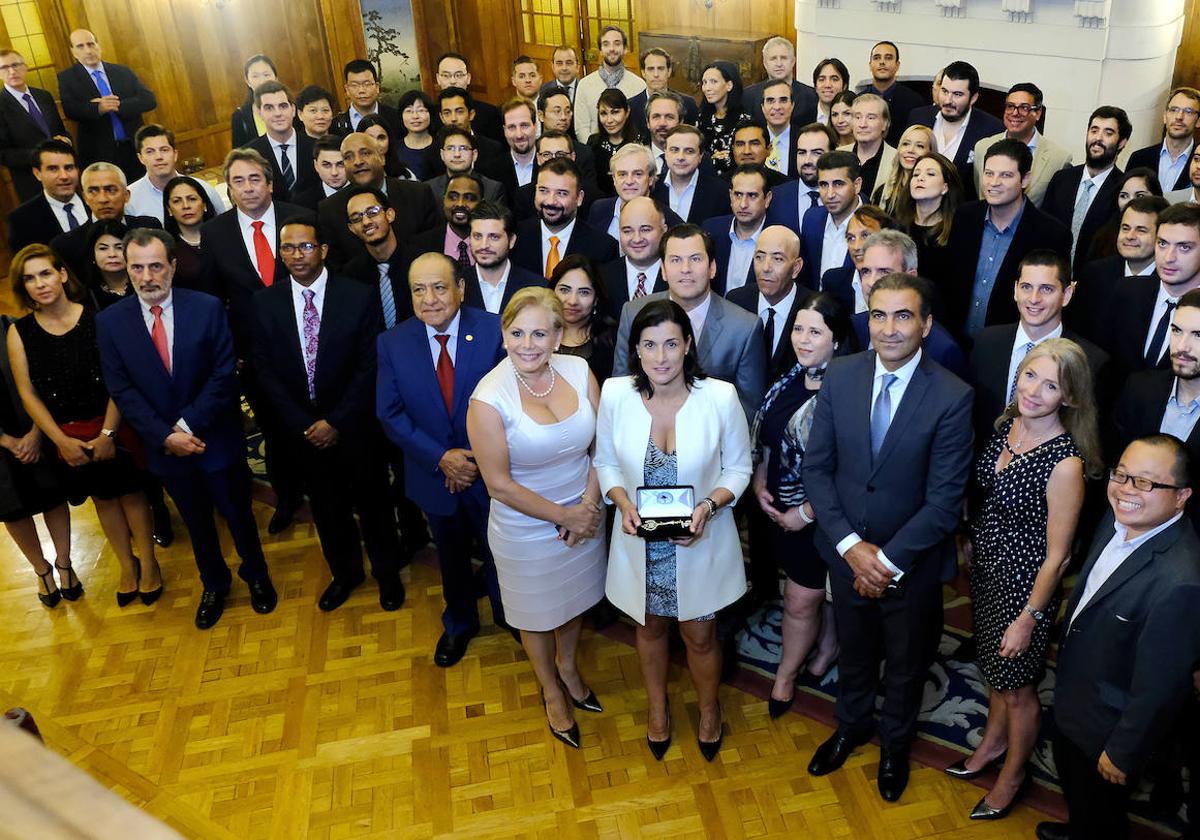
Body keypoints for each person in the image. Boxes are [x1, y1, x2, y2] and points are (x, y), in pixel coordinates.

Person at [802, 272, 973, 803]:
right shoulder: (842, 375)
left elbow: (944, 503)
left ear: (925, 325)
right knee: (854, 651)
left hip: (912, 565)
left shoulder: (953, 396)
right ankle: (852, 725)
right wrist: (852, 549)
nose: (889, 328)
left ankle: (895, 744)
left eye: (904, 316)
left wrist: (886, 563)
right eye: (879, 315)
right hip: (846, 553)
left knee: (905, 662)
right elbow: (817, 469)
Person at [595, 298, 753, 760]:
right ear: (636, 350)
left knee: (700, 636)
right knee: (649, 627)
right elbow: (605, 462)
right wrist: (621, 502)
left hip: (699, 540)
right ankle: (658, 708)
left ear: (687, 345)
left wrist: (708, 506)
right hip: (638, 544)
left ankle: (708, 710)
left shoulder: (719, 397)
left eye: (670, 343)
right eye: (649, 345)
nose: (660, 356)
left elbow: (740, 469)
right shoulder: (616, 393)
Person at [96, 229, 277, 629]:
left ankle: (257, 576)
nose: (147, 277)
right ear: (127, 271)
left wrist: (185, 425)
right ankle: (214, 584)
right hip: (166, 450)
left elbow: (223, 373)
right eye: (137, 268)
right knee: (196, 522)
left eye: (156, 266)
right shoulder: (110, 323)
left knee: (238, 514)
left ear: (173, 267)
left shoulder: (208, 308)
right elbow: (121, 388)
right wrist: (166, 436)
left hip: (216, 437)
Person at [959, 338, 1100, 820]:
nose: (1035, 391)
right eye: (1029, 377)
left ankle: (1013, 774)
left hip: (1026, 590)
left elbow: (1058, 558)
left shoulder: (1066, 464)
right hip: (987, 575)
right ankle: (992, 745)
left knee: (1018, 689)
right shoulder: (1008, 425)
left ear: (1070, 397)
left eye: (1051, 385)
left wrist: (1029, 619)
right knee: (995, 673)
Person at [1035, 435, 1200, 840]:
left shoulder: (1180, 582)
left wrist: (1123, 750)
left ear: (1181, 496)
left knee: (1102, 814)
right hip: (1078, 694)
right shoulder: (1117, 517)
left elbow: (1159, 688)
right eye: (1122, 474)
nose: (1125, 490)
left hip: (1108, 728)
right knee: (1076, 790)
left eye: (1145, 482)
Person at [468, 287, 607, 749]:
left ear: (558, 336)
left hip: (584, 513)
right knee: (538, 615)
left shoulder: (580, 370)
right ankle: (551, 689)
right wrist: (566, 515)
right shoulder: (488, 398)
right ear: (504, 334)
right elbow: (499, 485)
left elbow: (601, 448)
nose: (528, 344)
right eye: (517, 332)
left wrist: (587, 509)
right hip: (525, 528)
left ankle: (569, 667)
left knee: (574, 603)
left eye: (540, 334)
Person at [251, 216, 405, 613]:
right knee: (326, 507)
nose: (296, 255)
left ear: (323, 250)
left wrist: (335, 420)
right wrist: (306, 423)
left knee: (374, 505)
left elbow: (369, 365)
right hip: (303, 432)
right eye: (288, 247)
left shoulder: (358, 294)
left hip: (354, 425)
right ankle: (346, 574)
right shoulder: (264, 302)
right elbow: (264, 370)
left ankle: (387, 575)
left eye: (305, 247)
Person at [7, 243, 162, 607]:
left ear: (62, 274)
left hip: (114, 426)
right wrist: (60, 440)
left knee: (132, 496)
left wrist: (107, 433)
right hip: (68, 438)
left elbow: (120, 378)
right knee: (103, 501)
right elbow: (27, 394)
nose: (40, 284)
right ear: (23, 288)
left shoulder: (99, 318)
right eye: (29, 279)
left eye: (45, 273)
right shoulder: (20, 332)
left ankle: (151, 564)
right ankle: (128, 565)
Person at [376, 252, 508, 666]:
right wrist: (442, 458)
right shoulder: (393, 343)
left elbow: (510, 405)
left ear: (461, 288)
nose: (429, 299)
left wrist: (470, 460)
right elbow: (389, 412)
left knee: (500, 552)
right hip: (434, 475)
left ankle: (511, 618)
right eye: (419, 289)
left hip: (490, 474)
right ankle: (460, 622)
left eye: (438, 287)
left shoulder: (493, 331)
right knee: (449, 557)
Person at [751, 291, 849, 717]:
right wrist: (758, 478)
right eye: (798, 328)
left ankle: (785, 676)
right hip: (777, 508)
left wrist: (804, 513)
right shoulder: (789, 378)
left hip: (820, 517)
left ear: (837, 340)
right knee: (811, 594)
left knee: (801, 599)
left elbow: (848, 471)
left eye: (816, 331)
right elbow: (769, 437)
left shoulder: (844, 388)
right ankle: (828, 644)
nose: (803, 340)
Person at [200, 147, 305, 532]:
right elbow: (214, 298)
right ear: (228, 189)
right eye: (238, 181)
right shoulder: (215, 233)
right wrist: (232, 352)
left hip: (308, 345)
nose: (247, 188)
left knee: (317, 422)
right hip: (254, 357)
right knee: (274, 431)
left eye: (254, 179)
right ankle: (288, 497)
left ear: (270, 183)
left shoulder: (300, 218)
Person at [613, 224, 767, 422]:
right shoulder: (633, 312)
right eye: (676, 260)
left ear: (712, 268)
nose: (685, 269)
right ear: (663, 270)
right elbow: (622, 388)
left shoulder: (744, 328)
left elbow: (748, 408)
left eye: (695, 259)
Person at [968, 250, 1110, 448]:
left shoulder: (1092, 361)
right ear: (1015, 290)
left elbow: (1088, 437)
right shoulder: (984, 343)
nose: (1034, 299)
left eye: (1046, 289)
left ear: (1067, 294)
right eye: (1026, 287)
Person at [947, 139, 1072, 339]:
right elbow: (950, 281)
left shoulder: (1051, 234)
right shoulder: (965, 217)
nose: (994, 183)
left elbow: (1050, 302)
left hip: (1006, 346)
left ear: (1025, 179)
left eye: (1005, 175)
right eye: (989, 173)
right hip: (955, 341)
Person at [0, 306, 73, 609]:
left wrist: (35, 432)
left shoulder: (15, 327)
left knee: (52, 498)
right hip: (1, 445)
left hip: (37, 430)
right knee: (13, 511)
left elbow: (44, 382)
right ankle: (42, 570)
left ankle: (65, 564)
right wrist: (6, 441)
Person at [1110, 288, 1200, 532]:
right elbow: (1114, 466)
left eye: (1198, 335)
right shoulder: (1140, 389)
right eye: (1176, 331)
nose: (1182, 346)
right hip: (1123, 529)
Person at [1100, 202, 1200, 378]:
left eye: (1184, 247)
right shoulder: (1127, 290)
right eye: (1162, 244)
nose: (1169, 257)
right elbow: (1105, 363)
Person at [850, 230, 969, 378]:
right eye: (866, 272)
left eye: (884, 272)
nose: (871, 282)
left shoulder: (942, 350)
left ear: (911, 277)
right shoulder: (852, 326)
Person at [318, 132, 438, 269]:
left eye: (365, 153)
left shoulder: (418, 195)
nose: (357, 162)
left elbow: (432, 251)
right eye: (348, 157)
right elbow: (337, 268)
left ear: (382, 158)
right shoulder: (329, 209)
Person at [57, 29, 156, 178]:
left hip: (134, 148)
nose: (88, 50)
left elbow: (149, 99)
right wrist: (98, 109)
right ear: (73, 52)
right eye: (81, 46)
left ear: (98, 46)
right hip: (99, 153)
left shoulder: (122, 71)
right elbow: (71, 110)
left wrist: (117, 105)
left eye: (91, 44)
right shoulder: (67, 78)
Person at [1043, 106, 1131, 272]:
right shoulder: (1062, 179)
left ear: (1122, 142)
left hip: (1093, 283)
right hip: (1051, 277)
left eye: (1108, 133)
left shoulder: (1123, 189)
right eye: (1094, 130)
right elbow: (1044, 230)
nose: (1098, 138)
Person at [905, 61, 1003, 201]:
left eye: (957, 94)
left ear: (973, 98)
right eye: (944, 91)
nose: (948, 100)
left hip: (962, 215)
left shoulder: (991, 129)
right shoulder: (918, 117)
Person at [50, 162, 161, 282]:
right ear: (85, 198)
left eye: (111, 190)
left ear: (126, 195)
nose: (103, 199)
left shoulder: (149, 228)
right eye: (93, 191)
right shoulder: (67, 245)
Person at [511, 157, 617, 279]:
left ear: (579, 198)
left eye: (561, 193)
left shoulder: (603, 247)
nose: (551, 201)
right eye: (544, 191)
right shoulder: (515, 238)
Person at [971, 83, 1073, 209]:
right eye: (1010, 106)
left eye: (1024, 108)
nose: (1015, 113)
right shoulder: (982, 147)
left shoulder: (1059, 159)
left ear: (1038, 113)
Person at [0, 47, 70, 201]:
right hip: (31, 181)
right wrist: (40, 156)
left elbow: (61, 131)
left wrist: (66, 140)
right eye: (4, 67)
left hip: (64, 174)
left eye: (16, 65)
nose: (12, 71)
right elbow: (3, 154)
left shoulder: (43, 96)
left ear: (25, 67)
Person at [793, 150, 863, 289]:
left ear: (857, 185)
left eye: (838, 184)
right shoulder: (811, 219)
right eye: (824, 185)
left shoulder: (876, 226)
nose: (830, 194)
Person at [127, 124, 225, 221]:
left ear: (175, 154)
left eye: (164, 150)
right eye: (150, 152)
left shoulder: (203, 189)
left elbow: (223, 224)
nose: (158, 157)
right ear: (140, 158)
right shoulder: (129, 199)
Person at [587, 143, 683, 242]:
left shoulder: (669, 219)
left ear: (651, 178)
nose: (629, 181)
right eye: (622, 174)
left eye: (637, 174)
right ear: (614, 179)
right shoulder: (599, 209)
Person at [464, 199, 546, 314]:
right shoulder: (456, 285)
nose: (484, 245)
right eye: (477, 236)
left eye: (494, 237)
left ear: (511, 241)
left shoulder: (538, 287)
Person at [701, 164, 773, 295]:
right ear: (730, 196)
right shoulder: (711, 230)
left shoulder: (779, 237)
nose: (743, 204)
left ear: (767, 199)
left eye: (752, 196)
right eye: (738, 195)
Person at [904, 151, 963, 305]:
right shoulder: (897, 227)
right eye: (915, 174)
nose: (920, 178)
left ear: (945, 187)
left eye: (930, 174)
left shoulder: (957, 232)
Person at [819, 204, 897, 316]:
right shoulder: (834, 282)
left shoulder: (900, 283)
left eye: (865, 236)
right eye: (851, 238)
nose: (856, 246)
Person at [246, 81, 317, 204]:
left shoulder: (315, 146)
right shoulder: (249, 155)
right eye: (269, 108)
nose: (278, 113)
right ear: (259, 113)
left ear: (293, 110)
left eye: (283, 106)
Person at [7, 139, 83, 254]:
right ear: (37, 173)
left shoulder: (98, 203)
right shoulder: (21, 220)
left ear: (77, 170)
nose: (64, 176)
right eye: (53, 169)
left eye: (69, 168)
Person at [573, 26, 646, 144]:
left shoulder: (639, 85)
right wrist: (595, 149)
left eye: (617, 44)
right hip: (595, 152)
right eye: (606, 44)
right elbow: (581, 128)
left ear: (625, 49)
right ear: (601, 50)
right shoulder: (585, 85)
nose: (612, 49)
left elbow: (640, 126)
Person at [600, 196, 669, 319]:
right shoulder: (602, 278)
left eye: (645, 229)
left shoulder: (678, 276)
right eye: (627, 231)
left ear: (664, 230)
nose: (637, 239)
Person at [552, 254, 617, 383]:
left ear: (596, 299)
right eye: (565, 290)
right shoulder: (536, 332)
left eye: (584, 292)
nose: (572, 301)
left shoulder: (613, 337)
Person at [764, 122, 838, 233]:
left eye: (817, 153)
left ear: (832, 155)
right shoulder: (776, 198)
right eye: (802, 152)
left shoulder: (845, 198)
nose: (807, 160)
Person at [652, 124, 732, 224]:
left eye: (689, 151)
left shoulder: (720, 192)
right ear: (665, 152)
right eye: (674, 150)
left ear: (700, 156)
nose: (680, 157)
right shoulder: (652, 187)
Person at [1125, 86, 1200, 193]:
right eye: (1173, 110)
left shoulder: (1198, 162)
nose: (1179, 116)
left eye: (1188, 111)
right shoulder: (1139, 159)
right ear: (1165, 116)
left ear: (1198, 121)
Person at [1081, 168, 1163, 263]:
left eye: (1140, 196)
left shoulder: (1166, 236)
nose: (1130, 202)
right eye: (1124, 196)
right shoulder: (1103, 236)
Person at [408, 172, 484, 269]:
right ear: (444, 200)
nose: (460, 204)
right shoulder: (419, 246)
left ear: (482, 203)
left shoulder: (492, 244)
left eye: (469, 198)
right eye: (453, 197)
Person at [742, 36, 818, 128]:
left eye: (784, 58)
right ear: (765, 63)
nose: (779, 64)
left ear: (793, 61)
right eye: (773, 58)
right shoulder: (747, 96)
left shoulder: (812, 96)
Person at [161, 175, 219, 294]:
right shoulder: (167, 248)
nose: (186, 206)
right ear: (169, 210)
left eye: (192, 199)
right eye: (177, 201)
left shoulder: (224, 236)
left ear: (204, 204)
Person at [859, 41, 923, 147]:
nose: (882, 62)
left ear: (897, 65)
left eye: (888, 58)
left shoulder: (914, 102)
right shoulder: (859, 100)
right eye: (877, 58)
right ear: (870, 65)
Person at [425, 127, 508, 206]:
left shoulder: (492, 189)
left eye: (463, 148)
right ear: (442, 154)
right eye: (450, 148)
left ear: (474, 155)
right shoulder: (428, 188)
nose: (457, 154)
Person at [698, 61, 752, 179]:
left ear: (729, 85)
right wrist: (711, 158)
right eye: (704, 82)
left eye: (714, 82)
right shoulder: (701, 118)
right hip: (705, 180)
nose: (707, 88)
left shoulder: (744, 120)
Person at [433, 52, 503, 142]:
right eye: (446, 76)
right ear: (438, 78)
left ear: (468, 78)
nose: (453, 81)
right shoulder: (430, 115)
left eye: (458, 75)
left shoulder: (489, 113)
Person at [588, 88, 642, 195]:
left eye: (615, 112)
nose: (609, 120)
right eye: (603, 113)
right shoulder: (593, 143)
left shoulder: (639, 143)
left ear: (627, 112)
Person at [330, 58, 402, 139]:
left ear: (377, 87)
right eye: (354, 85)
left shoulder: (396, 117)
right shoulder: (335, 125)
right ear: (347, 90)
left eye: (367, 84)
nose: (361, 90)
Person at [841, 93, 895, 199]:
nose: (862, 124)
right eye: (857, 117)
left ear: (885, 123)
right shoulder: (838, 154)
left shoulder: (896, 159)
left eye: (871, 118)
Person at [873, 124, 932, 217]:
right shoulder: (882, 192)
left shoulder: (934, 194)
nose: (911, 150)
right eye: (905, 144)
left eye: (920, 146)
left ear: (931, 153)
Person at [289, 135, 349, 211]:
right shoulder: (301, 204)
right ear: (316, 165)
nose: (334, 172)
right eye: (326, 165)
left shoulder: (364, 193)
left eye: (340, 164)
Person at [639, 48, 699, 124]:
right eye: (651, 69)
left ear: (669, 71)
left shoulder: (688, 104)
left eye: (661, 69)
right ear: (643, 73)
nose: (656, 74)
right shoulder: (632, 106)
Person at [229, 54, 276, 147]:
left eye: (266, 75)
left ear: (275, 77)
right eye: (255, 76)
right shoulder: (240, 116)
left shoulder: (291, 107)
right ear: (247, 81)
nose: (262, 81)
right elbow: (239, 154)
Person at [85, 219, 132, 310]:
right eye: (103, 248)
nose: (112, 254)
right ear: (92, 254)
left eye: (119, 247)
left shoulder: (144, 283)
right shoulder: (87, 295)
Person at [730, 123, 788, 191]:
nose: (747, 151)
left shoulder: (785, 186)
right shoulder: (720, 185)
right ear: (733, 149)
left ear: (769, 149)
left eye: (755, 144)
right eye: (740, 144)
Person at [395, 89, 437, 180]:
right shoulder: (394, 149)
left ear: (430, 114)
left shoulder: (441, 146)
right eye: (409, 111)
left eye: (421, 110)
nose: (415, 116)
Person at [358, 113, 412, 181]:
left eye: (381, 138)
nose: (376, 144)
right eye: (370, 139)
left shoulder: (404, 175)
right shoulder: (354, 175)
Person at [500, 98, 538, 191]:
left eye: (524, 125)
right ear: (504, 130)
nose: (519, 135)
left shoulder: (549, 164)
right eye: (512, 127)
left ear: (535, 127)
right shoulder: (491, 171)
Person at [644, 90, 684, 177]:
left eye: (669, 117)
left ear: (680, 122)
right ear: (648, 122)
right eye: (656, 117)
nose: (662, 123)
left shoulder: (697, 158)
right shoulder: (635, 157)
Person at [812, 58, 850, 128]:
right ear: (815, 87)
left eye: (834, 79)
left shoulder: (855, 117)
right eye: (821, 79)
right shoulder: (801, 118)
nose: (827, 85)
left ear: (844, 86)